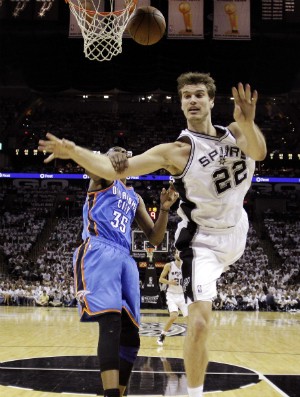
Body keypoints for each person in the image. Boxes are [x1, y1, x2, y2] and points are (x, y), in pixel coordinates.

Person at [38, 72, 267, 397]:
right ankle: (193, 394)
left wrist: (248, 123)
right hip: (201, 243)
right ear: (181, 103)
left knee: (142, 327)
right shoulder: (175, 151)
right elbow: (112, 170)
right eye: (186, 96)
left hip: (238, 229)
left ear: (212, 100)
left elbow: (259, 152)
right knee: (198, 323)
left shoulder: (235, 133)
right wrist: (74, 150)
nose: (192, 100)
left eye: (199, 94)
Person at [73, 146, 179, 397]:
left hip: (125, 258)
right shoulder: (102, 177)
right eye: (117, 151)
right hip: (99, 249)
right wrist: (105, 160)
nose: (123, 154)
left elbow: (154, 238)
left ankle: (118, 393)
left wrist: (164, 208)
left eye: (126, 152)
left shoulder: (135, 197)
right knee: (110, 323)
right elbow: (90, 163)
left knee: (131, 336)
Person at [157, 249, 188, 346]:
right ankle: (162, 335)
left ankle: (193, 339)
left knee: (190, 318)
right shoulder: (169, 265)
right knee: (174, 316)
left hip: (182, 295)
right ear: (175, 254)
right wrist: (170, 282)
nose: (179, 254)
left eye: (180, 252)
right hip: (171, 295)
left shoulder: (186, 266)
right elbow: (161, 279)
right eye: (177, 252)